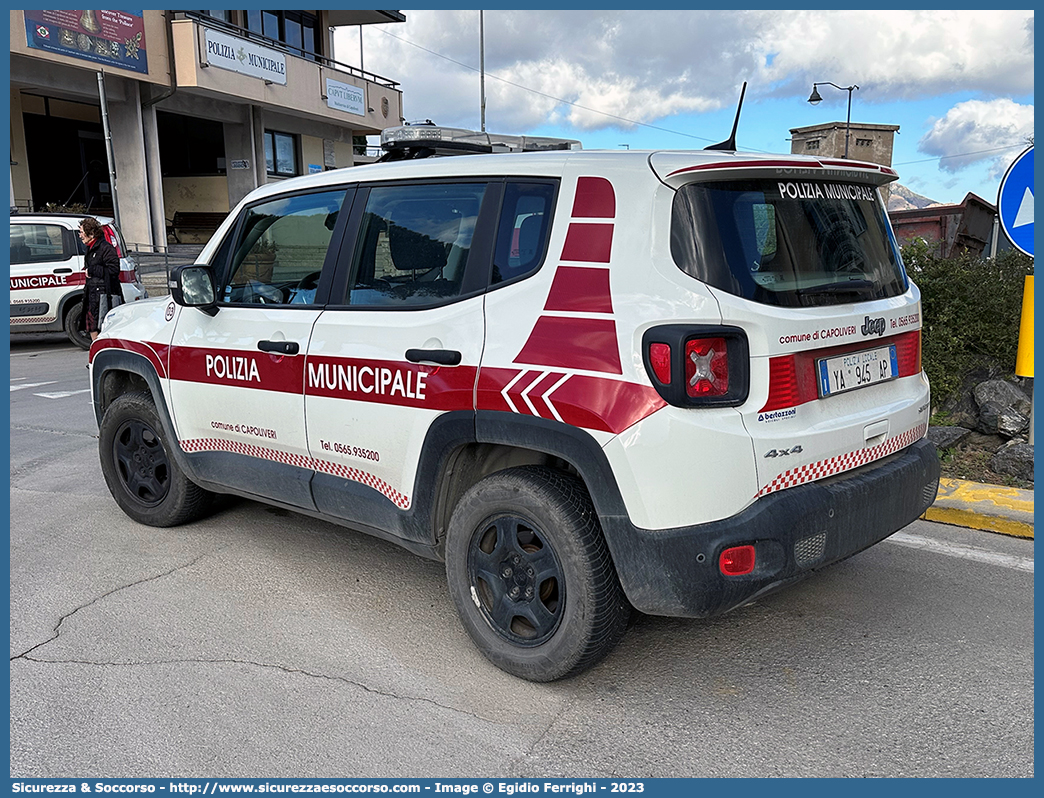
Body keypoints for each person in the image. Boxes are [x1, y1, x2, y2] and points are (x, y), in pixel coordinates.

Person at [79, 217, 121, 341]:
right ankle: (96, 349)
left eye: (81, 232)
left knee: (103, 326)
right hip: (92, 294)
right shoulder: (90, 248)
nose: (80, 235)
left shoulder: (105, 248)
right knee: (92, 327)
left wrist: (92, 270)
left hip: (104, 295)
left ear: (91, 233)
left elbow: (113, 270)